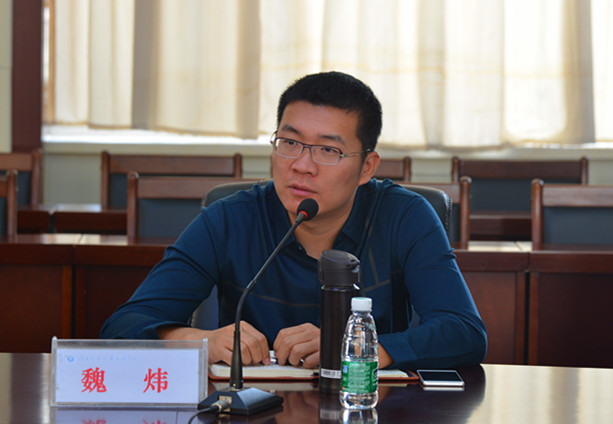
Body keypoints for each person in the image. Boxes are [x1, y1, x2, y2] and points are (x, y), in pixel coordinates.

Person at [100, 71, 487, 371]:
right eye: (289, 143)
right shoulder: (229, 219)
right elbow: (123, 326)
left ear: (367, 167)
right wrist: (200, 340)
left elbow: (464, 331)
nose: (302, 165)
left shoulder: (404, 216)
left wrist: (357, 348)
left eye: (328, 150)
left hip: (367, 406)